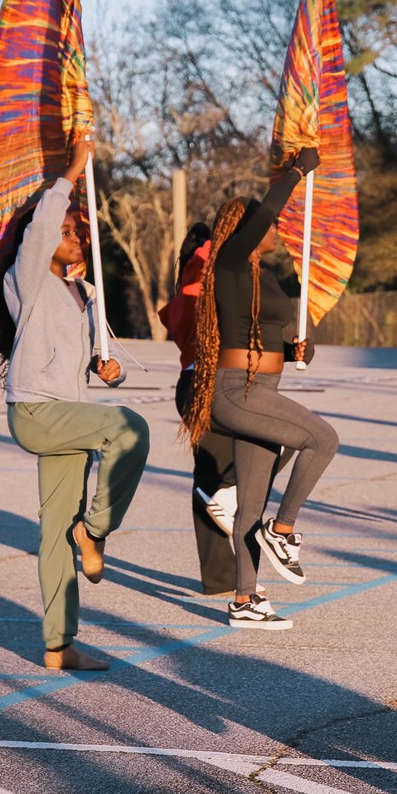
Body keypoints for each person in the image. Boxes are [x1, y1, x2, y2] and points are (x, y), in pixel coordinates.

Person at [0, 138, 151, 668]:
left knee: (53, 533)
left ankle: (59, 646)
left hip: (70, 417)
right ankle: (96, 529)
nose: (74, 238)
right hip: (37, 410)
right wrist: (73, 172)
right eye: (66, 234)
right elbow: (41, 230)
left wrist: (111, 371)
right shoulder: (26, 282)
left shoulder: (86, 293)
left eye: (77, 232)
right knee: (131, 428)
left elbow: (97, 361)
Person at [183, 147, 338, 629]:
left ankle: (245, 599)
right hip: (235, 392)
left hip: (261, 387)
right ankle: (284, 529)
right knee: (323, 439)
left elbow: (263, 333)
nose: (275, 231)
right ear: (250, 230)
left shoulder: (261, 276)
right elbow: (267, 210)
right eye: (268, 227)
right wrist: (294, 173)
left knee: (251, 500)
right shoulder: (229, 261)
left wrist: (293, 351)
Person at [160, 222, 236, 594]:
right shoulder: (201, 274)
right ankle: (221, 576)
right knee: (218, 481)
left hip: (194, 385)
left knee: (209, 480)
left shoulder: (189, 283)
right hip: (202, 385)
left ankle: (220, 577)